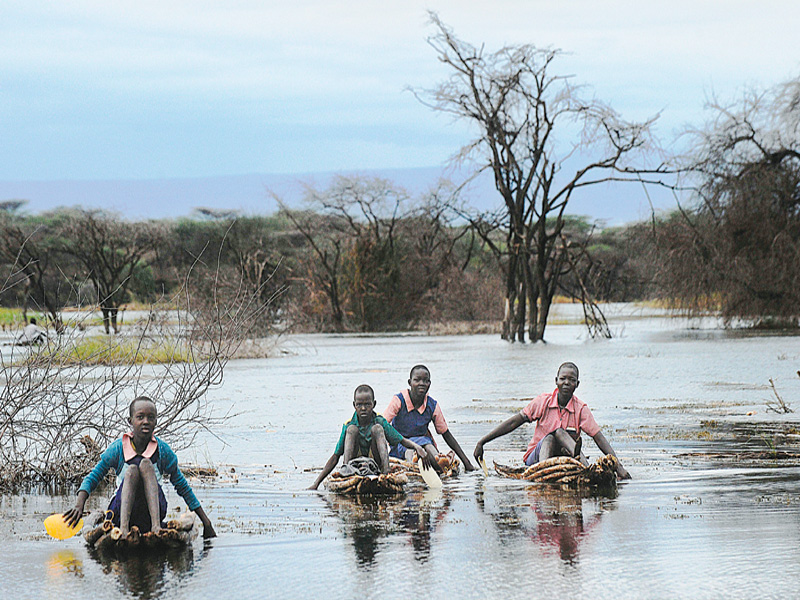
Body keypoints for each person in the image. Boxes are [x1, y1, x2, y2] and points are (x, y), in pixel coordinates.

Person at [62, 396, 217, 538]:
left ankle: (156, 527)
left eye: (150, 417)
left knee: (145, 464)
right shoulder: (118, 449)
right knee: (132, 470)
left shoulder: (162, 451)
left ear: (156, 421)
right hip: (121, 511)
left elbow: (182, 486)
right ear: (130, 421)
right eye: (140, 417)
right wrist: (79, 505)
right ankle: (123, 528)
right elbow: (93, 477)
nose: (145, 421)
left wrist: (206, 522)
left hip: (151, 513)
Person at [473, 362, 630, 479]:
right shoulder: (544, 401)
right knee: (552, 435)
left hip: (564, 458)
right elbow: (514, 422)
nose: (567, 383)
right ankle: (543, 473)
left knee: (561, 434)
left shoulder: (581, 408)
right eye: (563, 379)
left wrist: (619, 467)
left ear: (577, 384)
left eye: (571, 380)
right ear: (556, 381)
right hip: (537, 459)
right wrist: (482, 442)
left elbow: (598, 437)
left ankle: (586, 470)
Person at [309, 384, 434, 490]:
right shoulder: (348, 425)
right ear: (354, 405)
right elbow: (335, 456)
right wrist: (316, 483)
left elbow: (401, 440)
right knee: (352, 430)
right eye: (359, 405)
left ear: (374, 404)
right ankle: (346, 472)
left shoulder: (379, 420)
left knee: (377, 428)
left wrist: (417, 447)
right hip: (355, 467)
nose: (363, 408)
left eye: (367, 405)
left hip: (375, 465)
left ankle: (385, 471)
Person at [383, 365, 475, 472]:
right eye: (417, 380)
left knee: (430, 448)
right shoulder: (399, 400)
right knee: (410, 452)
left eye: (425, 381)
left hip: (424, 443)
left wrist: (466, 462)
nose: (421, 383)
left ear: (429, 384)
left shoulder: (432, 405)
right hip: (402, 444)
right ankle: (412, 470)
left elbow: (445, 433)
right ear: (410, 382)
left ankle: (441, 466)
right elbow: (383, 424)